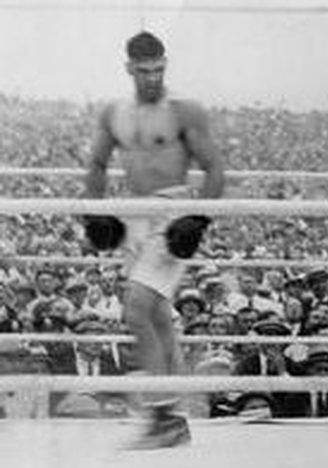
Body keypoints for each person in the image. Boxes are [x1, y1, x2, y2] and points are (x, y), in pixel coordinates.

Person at [81, 31, 225, 449]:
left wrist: (198, 219)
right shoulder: (114, 112)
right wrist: (93, 212)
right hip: (135, 213)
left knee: (137, 310)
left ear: (166, 64)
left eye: (158, 69)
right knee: (159, 317)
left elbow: (215, 168)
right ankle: (176, 419)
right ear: (129, 68)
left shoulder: (183, 110)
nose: (151, 78)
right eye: (143, 71)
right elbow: (95, 163)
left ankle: (162, 414)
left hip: (172, 212)